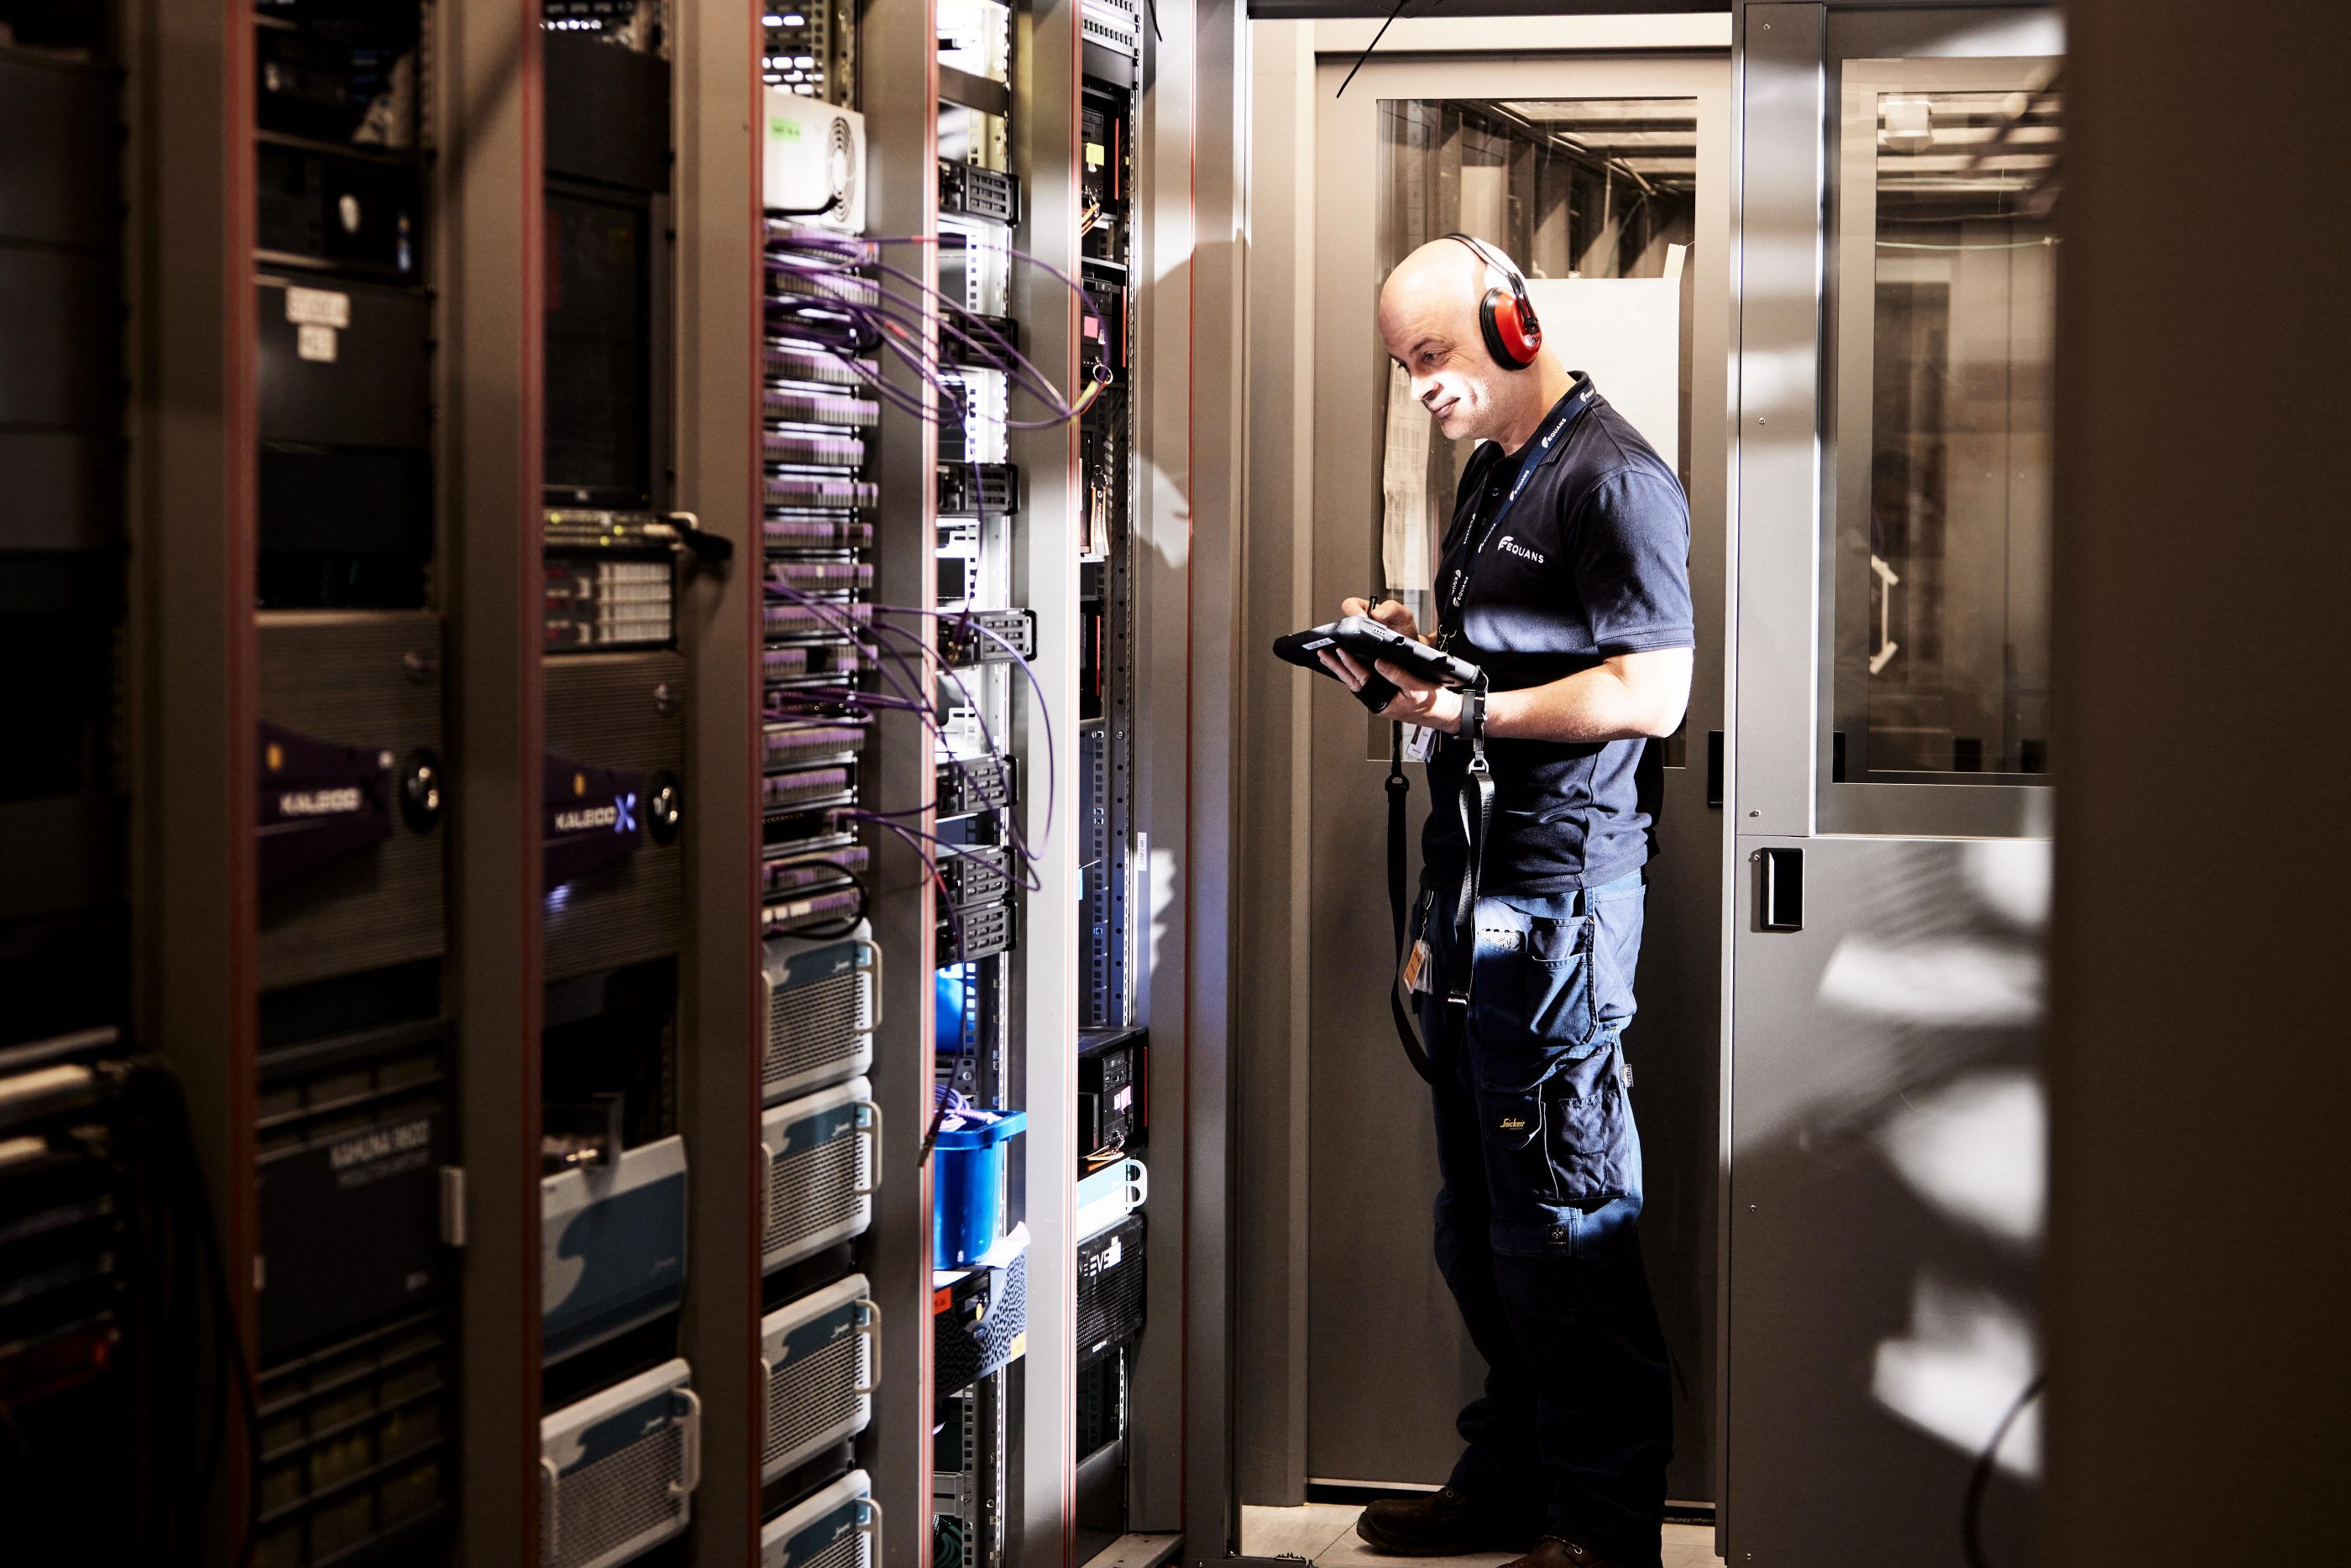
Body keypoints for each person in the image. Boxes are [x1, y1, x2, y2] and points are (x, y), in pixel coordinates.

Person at [1318, 234, 1694, 1568]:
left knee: (1564, 1209)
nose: (1421, 386)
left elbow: (1653, 693)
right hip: (1473, 879)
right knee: (1481, 1214)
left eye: (1435, 356)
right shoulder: (1490, 475)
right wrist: (1403, 658)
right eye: (1404, 366)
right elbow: (1493, 658)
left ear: (1512, 326)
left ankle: (1602, 1524)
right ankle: (1513, 1477)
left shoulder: (1616, 481)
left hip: (1561, 898)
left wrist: (1478, 702)